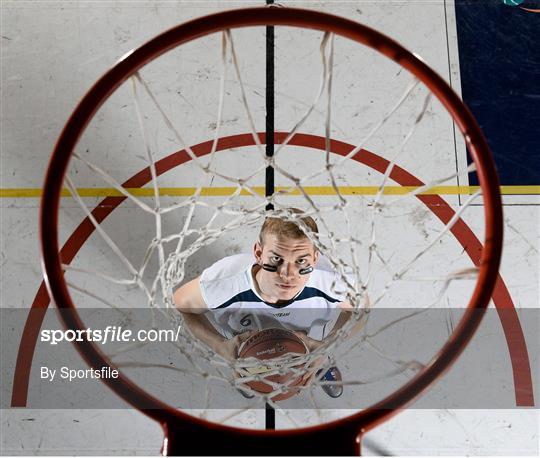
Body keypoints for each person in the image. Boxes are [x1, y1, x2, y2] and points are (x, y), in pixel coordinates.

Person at [174, 209, 353, 399]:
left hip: (307, 344)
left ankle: (322, 364)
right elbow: (181, 304)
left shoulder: (333, 279)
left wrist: (327, 347)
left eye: (301, 261)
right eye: (276, 259)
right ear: (258, 253)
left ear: (315, 259)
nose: (287, 273)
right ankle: (248, 373)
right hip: (249, 350)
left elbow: (360, 310)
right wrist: (220, 346)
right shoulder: (223, 282)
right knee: (253, 379)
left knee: (316, 354)